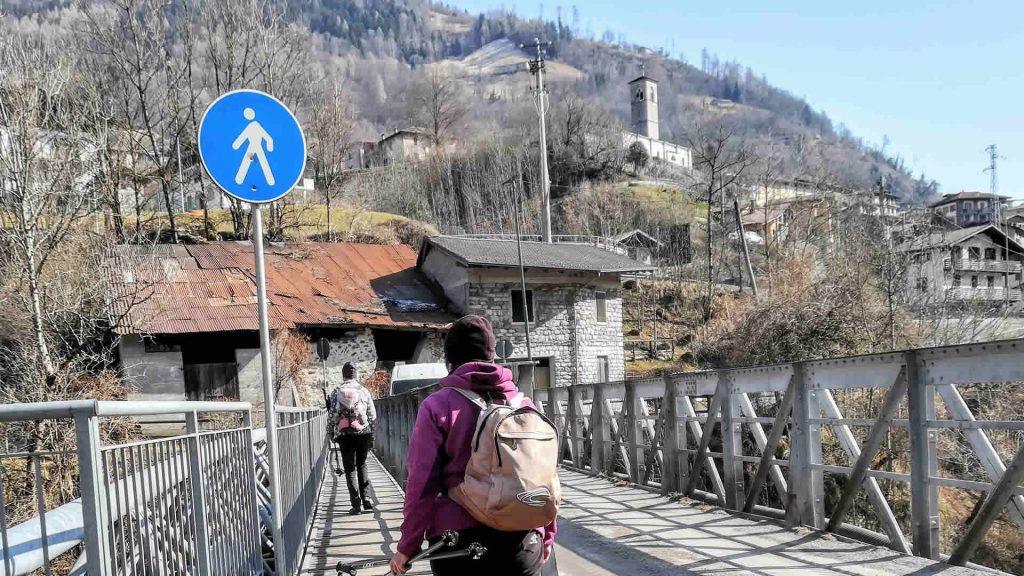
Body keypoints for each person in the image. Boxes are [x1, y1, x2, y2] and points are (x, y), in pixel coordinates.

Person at [390, 315, 556, 576]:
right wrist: (547, 534)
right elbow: (543, 476)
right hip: (522, 540)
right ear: (492, 357)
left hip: (458, 543)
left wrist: (407, 546)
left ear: (449, 361)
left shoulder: (437, 406)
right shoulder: (524, 405)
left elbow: (421, 484)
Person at [328, 362, 377, 515]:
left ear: (343, 375)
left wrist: (331, 433)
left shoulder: (336, 392)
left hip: (345, 435)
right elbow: (372, 416)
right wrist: (372, 434)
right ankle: (367, 499)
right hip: (363, 433)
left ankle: (356, 505)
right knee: (362, 464)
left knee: (349, 469)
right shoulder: (364, 390)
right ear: (355, 375)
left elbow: (332, 416)